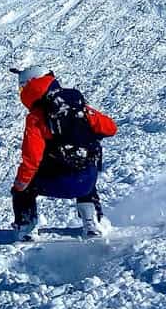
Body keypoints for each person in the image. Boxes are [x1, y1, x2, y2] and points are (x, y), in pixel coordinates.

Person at [10, 65, 117, 241]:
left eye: (22, 87)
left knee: (24, 188)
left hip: (56, 180)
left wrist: (20, 185)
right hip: (86, 181)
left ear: (30, 85)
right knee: (84, 167)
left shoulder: (36, 117)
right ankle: (92, 223)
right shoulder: (79, 107)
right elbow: (110, 128)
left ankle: (26, 227)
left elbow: (32, 159)